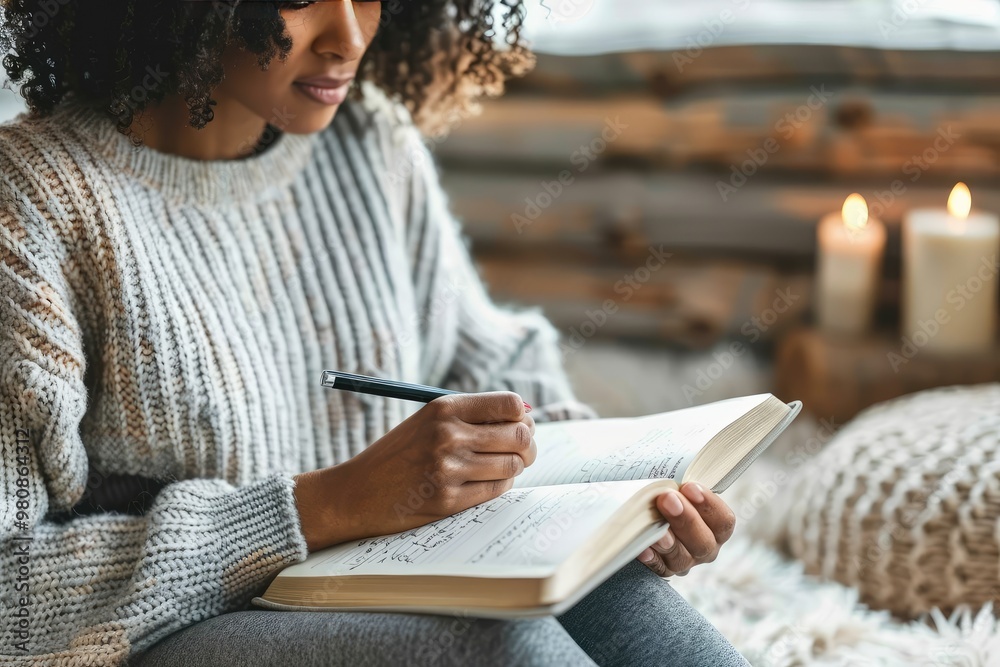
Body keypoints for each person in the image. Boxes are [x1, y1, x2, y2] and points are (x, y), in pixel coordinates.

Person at [0, 1, 748, 665]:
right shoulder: (33, 200)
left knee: (616, 597)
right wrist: (321, 505)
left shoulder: (367, 140)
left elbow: (491, 358)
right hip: (178, 623)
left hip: (390, 564)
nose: (348, 36)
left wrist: (613, 503)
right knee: (501, 644)